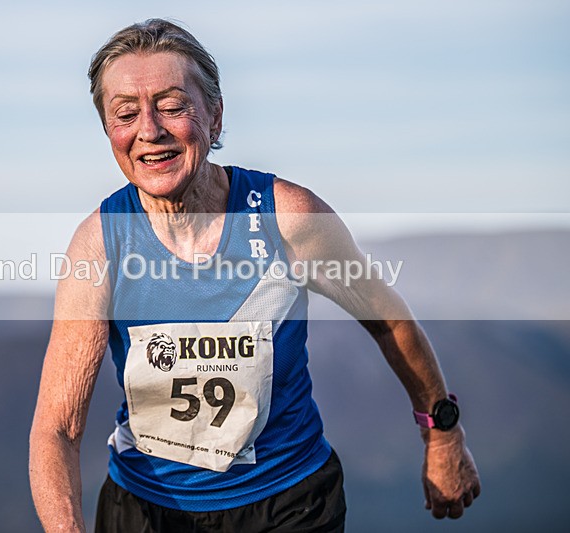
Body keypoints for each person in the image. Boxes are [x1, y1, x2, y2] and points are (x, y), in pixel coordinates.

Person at [29, 18, 480, 532]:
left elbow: (388, 320)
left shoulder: (287, 219)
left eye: (173, 106)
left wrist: (442, 432)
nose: (149, 130)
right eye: (125, 113)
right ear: (110, 133)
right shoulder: (102, 243)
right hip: (147, 509)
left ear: (215, 116)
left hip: (288, 505)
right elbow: (57, 429)